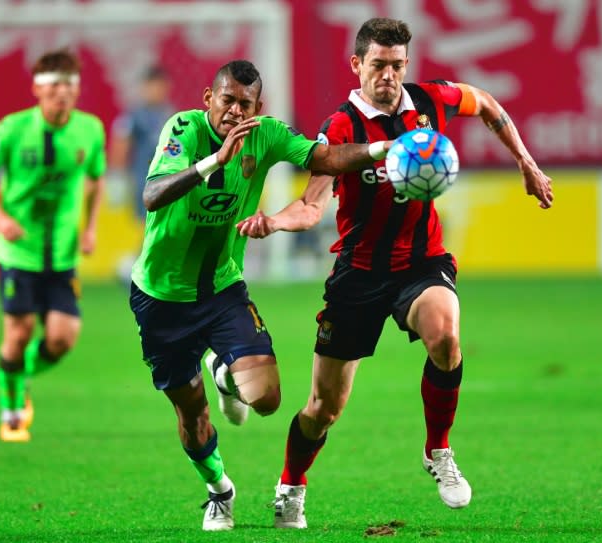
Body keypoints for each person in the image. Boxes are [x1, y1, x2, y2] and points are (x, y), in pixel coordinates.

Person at [236, 18, 554, 528]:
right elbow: (311, 205)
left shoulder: (430, 102)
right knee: (323, 408)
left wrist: (526, 163)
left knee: (446, 335)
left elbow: (488, 104)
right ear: (357, 64)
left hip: (420, 263)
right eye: (379, 65)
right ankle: (291, 483)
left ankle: (438, 450)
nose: (389, 75)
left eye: (398, 66)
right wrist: (273, 222)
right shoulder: (340, 128)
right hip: (358, 275)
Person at [127, 59, 394, 531]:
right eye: (226, 100)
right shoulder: (182, 129)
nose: (234, 111)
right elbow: (152, 195)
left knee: (267, 399)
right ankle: (219, 491)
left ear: (258, 108)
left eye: (244, 104)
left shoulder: (267, 134)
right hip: (161, 297)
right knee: (192, 415)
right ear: (209, 99)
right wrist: (215, 160)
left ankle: (223, 371)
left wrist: (380, 149)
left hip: (223, 288)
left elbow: (325, 159)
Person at [0, 48, 106, 443]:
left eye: (69, 85)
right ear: (37, 89)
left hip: (62, 253)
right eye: (54, 85)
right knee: (19, 331)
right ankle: (12, 410)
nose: (62, 93)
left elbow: (96, 179)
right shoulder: (11, 129)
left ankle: (17, 372)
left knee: (62, 339)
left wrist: (90, 227)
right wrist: (0, 219)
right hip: (19, 252)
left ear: (76, 91)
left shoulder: (90, 130)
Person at [109, 64, 174, 222]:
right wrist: (117, 176)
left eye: (160, 86)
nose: (156, 91)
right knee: (144, 225)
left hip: (167, 180)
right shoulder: (134, 116)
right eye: (152, 86)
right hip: (142, 181)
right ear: (144, 87)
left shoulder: (170, 115)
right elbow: (121, 143)